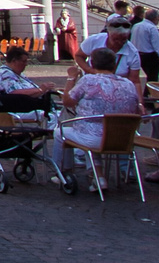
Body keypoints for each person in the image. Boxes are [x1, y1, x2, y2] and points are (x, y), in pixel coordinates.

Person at [53, 47, 141, 186]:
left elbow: (68, 102)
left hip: (95, 137)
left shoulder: (88, 80)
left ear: (92, 64)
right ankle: (97, 176)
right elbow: (137, 110)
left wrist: (71, 78)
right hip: (123, 139)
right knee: (92, 131)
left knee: (60, 132)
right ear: (114, 64)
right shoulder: (128, 84)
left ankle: (63, 173)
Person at [74, 22, 142, 95]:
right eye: (116, 39)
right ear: (108, 34)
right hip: (92, 86)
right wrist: (91, 70)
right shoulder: (94, 40)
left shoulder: (132, 52)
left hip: (117, 91)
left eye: (123, 39)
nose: (119, 42)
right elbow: (79, 56)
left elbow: (135, 81)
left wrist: (140, 103)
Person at [131, 9, 159, 84]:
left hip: (137, 54)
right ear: (155, 18)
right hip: (149, 55)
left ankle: (146, 93)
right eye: (158, 19)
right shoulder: (152, 28)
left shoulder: (136, 26)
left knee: (142, 76)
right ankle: (148, 93)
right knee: (153, 78)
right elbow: (157, 45)